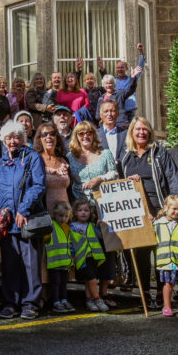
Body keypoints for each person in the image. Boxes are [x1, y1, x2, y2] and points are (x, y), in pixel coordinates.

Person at [118, 117, 178, 309]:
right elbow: (119, 183)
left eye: (145, 129)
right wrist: (128, 181)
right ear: (131, 132)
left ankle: (161, 294)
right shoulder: (125, 155)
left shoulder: (159, 152)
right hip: (137, 212)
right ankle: (145, 294)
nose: (141, 132)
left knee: (162, 255)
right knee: (141, 255)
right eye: (137, 129)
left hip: (160, 210)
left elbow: (172, 177)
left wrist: (176, 208)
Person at [0, 120, 47, 320]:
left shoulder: (33, 158)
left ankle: (31, 303)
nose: (13, 141)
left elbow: (39, 185)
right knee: (10, 264)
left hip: (28, 220)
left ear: (23, 139)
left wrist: (24, 209)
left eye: (16, 137)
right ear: (3, 140)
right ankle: (11, 302)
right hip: (7, 224)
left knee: (31, 264)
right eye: (9, 138)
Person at [66, 122, 119, 306]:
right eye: (81, 134)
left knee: (106, 251)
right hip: (80, 210)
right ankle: (89, 294)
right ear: (76, 137)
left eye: (88, 133)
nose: (85, 136)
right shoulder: (70, 157)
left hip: (102, 209)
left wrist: (100, 178)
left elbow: (114, 173)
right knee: (85, 253)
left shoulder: (104, 154)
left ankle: (104, 293)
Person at [69, 199, 108, 312]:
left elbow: (100, 236)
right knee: (92, 279)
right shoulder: (72, 226)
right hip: (81, 258)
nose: (83, 212)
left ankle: (89, 300)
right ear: (75, 212)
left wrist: (100, 226)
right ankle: (97, 298)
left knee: (88, 280)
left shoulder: (91, 225)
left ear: (90, 212)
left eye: (86, 210)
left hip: (92, 257)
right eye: (80, 210)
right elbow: (71, 243)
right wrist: (72, 256)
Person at [44, 201, 74, 313]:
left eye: (66, 216)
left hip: (65, 263)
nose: (63, 218)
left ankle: (64, 300)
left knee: (64, 283)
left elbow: (69, 244)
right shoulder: (51, 226)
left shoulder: (67, 228)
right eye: (60, 216)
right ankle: (56, 301)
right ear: (55, 215)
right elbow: (45, 239)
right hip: (54, 262)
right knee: (55, 283)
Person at [35, 121, 72, 211]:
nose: (49, 137)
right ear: (39, 138)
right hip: (46, 215)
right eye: (44, 134)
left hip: (65, 215)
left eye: (52, 133)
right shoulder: (36, 161)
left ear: (56, 137)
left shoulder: (64, 160)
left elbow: (70, 190)